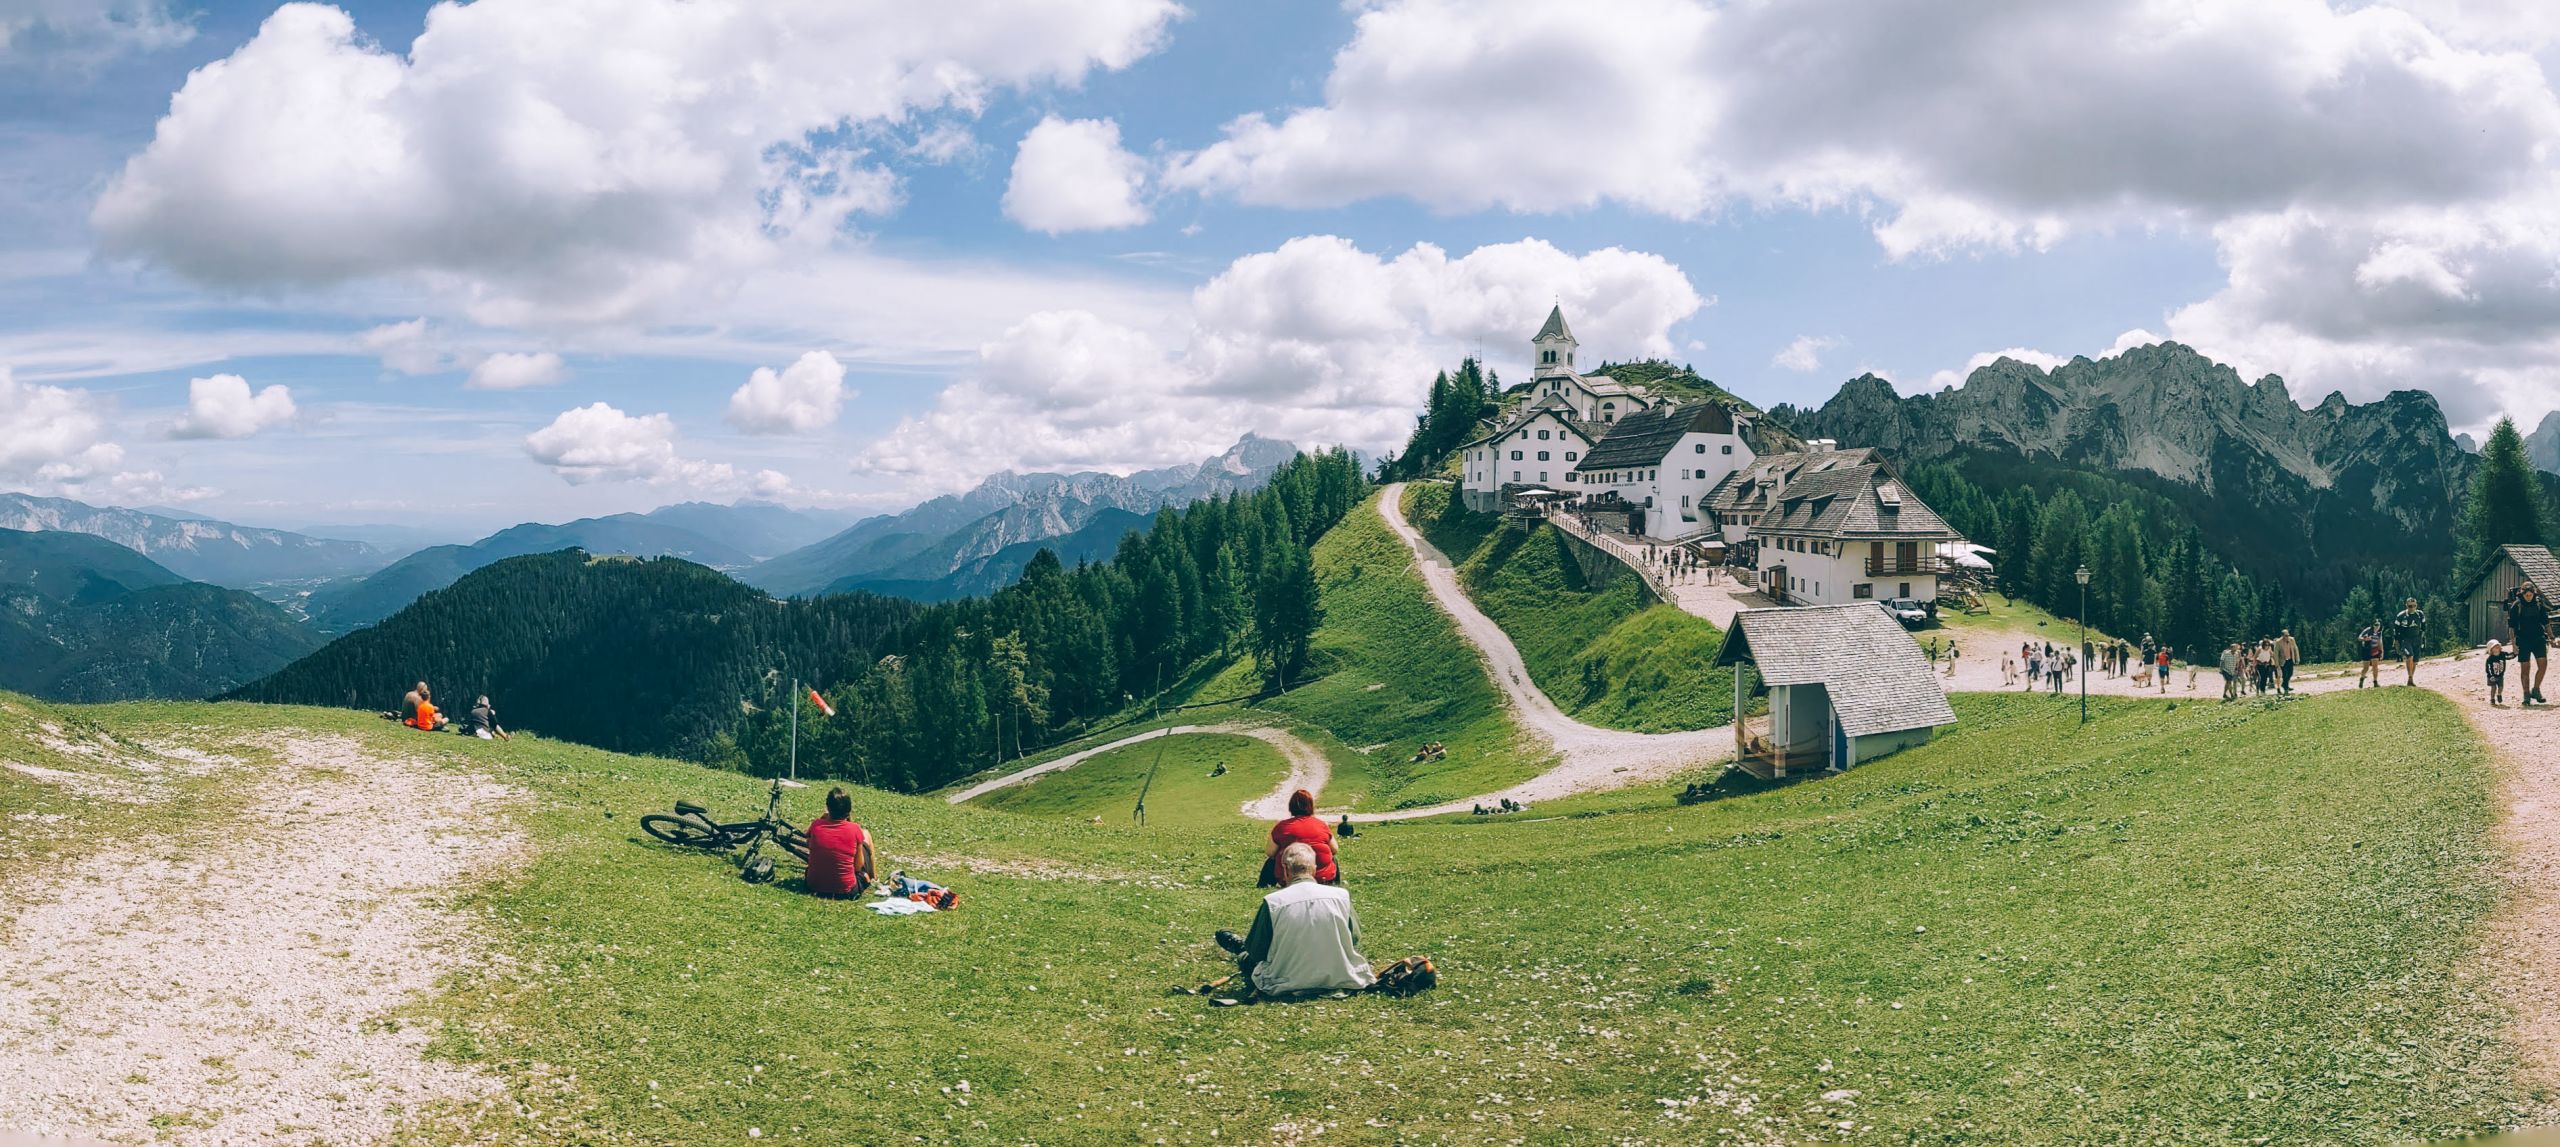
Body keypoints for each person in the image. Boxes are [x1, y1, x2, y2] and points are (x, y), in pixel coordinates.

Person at [1213, 843, 1375, 998]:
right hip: (1338, 976)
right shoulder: (1341, 896)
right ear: (1314, 869)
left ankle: (1238, 948)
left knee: (1246, 957)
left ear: (1285, 869)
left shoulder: (1273, 902)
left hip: (1285, 980)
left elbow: (1257, 951)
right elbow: (1354, 938)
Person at [804, 786, 875, 899]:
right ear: (848, 810)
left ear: (828, 807)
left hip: (813, 886)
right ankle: (873, 876)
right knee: (866, 834)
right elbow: (857, 867)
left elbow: (808, 843)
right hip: (846, 891)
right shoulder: (855, 828)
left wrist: (822, 817)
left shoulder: (816, 825)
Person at [1264, 788, 1338, 886]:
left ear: (1291, 806)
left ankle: (1264, 884)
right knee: (1333, 859)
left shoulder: (1282, 827)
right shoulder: (1321, 825)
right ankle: (1336, 884)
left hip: (1289, 879)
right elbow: (1334, 849)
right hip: (1322, 879)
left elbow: (1270, 852)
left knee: (1271, 861)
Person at [2511, 584, 2553, 705]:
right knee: (2525, 669)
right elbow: (2511, 627)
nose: (2529, 597)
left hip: (2538, 639)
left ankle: (2536, 690)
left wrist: (2551, 637)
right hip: (2523, 640)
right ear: (2522, 594)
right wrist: (2513, 645)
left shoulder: (2539, 604)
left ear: (2534, 594)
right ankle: (2526, 694)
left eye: (2531, 595)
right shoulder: (2516, 606)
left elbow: (2546, 622)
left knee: (2543, 665)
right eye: (2526, 595)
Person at [2392, 598, 2427, 686]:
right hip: (2405, 639)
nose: (2412, 608)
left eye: (2414, 606)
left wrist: (2423, 638)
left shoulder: (2420, 614)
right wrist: (2396, 640)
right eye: (2410, 606)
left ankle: (2410, 679)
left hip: (2417, 638)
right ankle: (2410, 677)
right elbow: (2396, 628)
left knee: (2415, 661)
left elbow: (2424, 626)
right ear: (2406, 606)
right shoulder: (2401, 615)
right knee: (2410, 656)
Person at [2488, 638, 2514, 706]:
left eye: (2498, 646)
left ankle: (2499, 694)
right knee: (2493, 688)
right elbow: (2488, 668)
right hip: (2492, 676)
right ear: (2491, 650)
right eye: (2495, 647)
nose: (2497, 647)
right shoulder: (2490, 659)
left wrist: (2514, 654)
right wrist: (2490, 676)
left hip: (2500, 675)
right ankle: (2492, 699)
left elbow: (2508, 656)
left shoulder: (2502, 654)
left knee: (2501, 687)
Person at [2357, 621, 2384, 688]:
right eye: (2375, 625)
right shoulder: (2368, 630)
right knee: (2366, 668)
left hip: (2375, 650)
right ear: (2373, 625)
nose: (2377, 626)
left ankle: (2375, 682)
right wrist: (2364, 639)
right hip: (2366, 650)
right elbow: (2359, 638)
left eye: (2378, 625)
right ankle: (2362, 679)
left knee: (2375, 667)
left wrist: (2382, 651)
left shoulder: (2379, 632)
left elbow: (2380, 642)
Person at [2276, 629, 2300, 695]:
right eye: (2286, 635)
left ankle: (2284, 684)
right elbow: (2276, 653)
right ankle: (2286, 689)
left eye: (2288, 635)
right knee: (2285, 675)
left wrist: (2297, 658)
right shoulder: (2278, 642)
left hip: (2290, 659)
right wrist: (2277, 663)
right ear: (2282, 636)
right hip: (2283, 661)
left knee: (2290, 673)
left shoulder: (2292, 640)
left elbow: (2295, 649)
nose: (2287, 637)